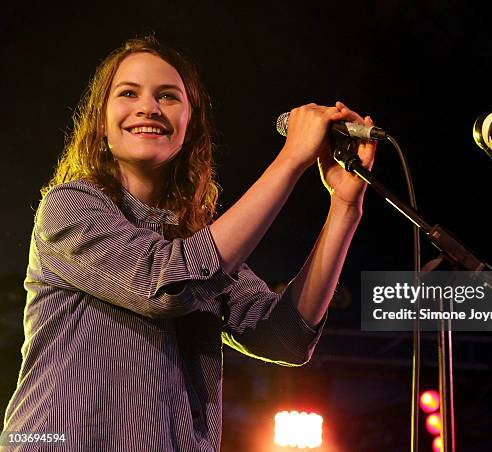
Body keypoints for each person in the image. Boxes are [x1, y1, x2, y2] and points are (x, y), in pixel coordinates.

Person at [2, 36, 376, 451]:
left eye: (168, 96)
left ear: (190, 127)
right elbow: (165, 284)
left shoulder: (195, 240)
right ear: (100, 122)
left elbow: (286, 338)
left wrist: (344, 207)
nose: (149, 107)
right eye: (129, 93)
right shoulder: (69, 207)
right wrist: (290, 161)